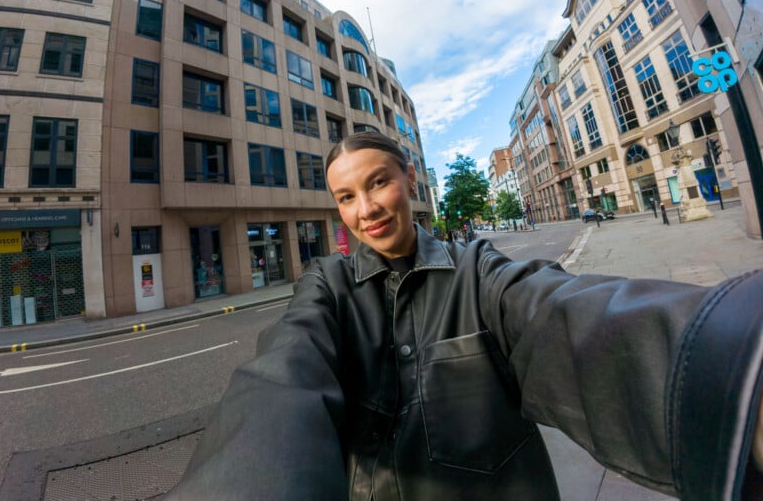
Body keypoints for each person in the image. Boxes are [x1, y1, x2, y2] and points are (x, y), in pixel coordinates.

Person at [167, 132, 763, 500]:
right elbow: (282, 377)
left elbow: (561, 315)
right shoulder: (329, 286)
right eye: (346, 197)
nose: (366, 208)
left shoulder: (476, 270)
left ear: (410, 181)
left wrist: (728, 365)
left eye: (379, 183)